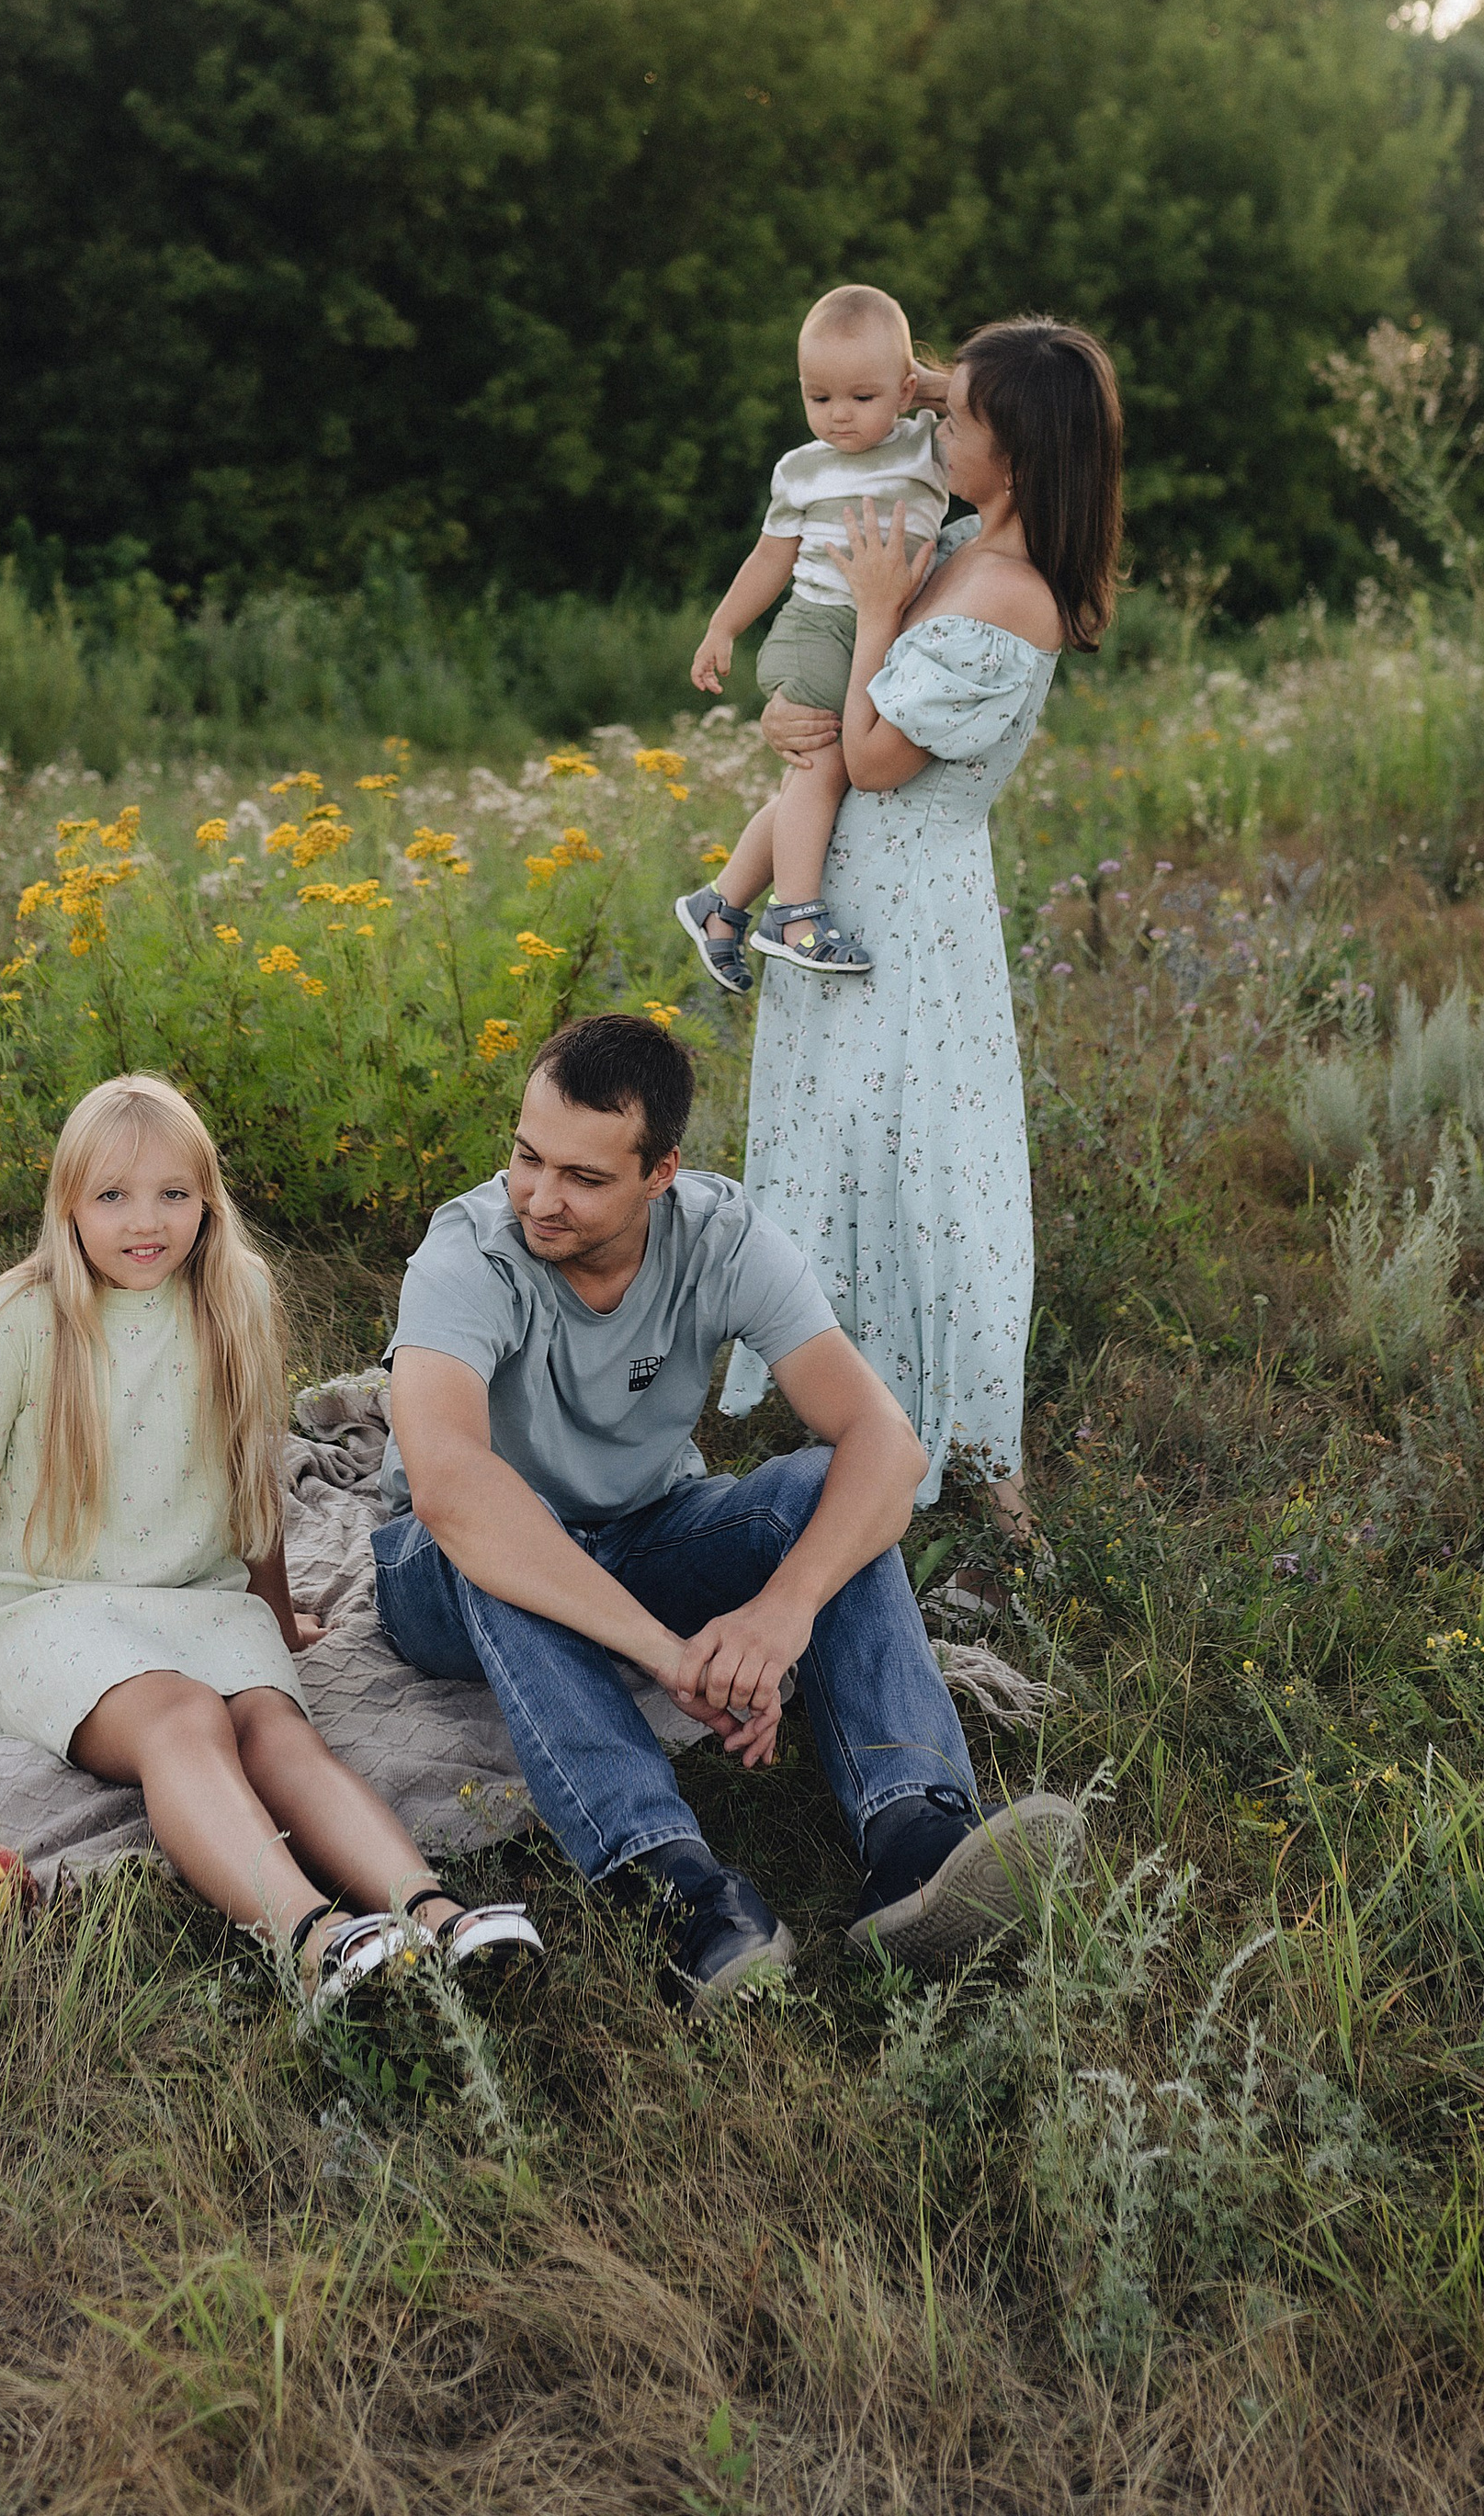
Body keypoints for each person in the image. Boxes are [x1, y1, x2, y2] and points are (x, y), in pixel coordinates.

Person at [371, 1011, 1077, 2005]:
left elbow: (887, 1447)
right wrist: (670, 1656)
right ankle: (678, 1885)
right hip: (439, 1572)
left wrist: (780, 1614)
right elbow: (452, 1486)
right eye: (528, 1157)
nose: (540, 1196)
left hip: (645, 1524)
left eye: (584, 1177)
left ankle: (915, 1831)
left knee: (817, 1488)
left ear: (660, 1173)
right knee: (505, 1535)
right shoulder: (469, 1251)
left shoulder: (721, 1235)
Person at [0, 1072, 542, 2012]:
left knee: (280, 1736)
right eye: (112, 1195)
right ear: (68, 1204)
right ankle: (318, 1941)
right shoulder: (12, 1320)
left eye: (173, 1193)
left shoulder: (235, 1293)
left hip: (201, 1599)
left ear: (208, 1198)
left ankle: (436, 1915)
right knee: (186, 1718)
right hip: (46, 1612)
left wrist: (276, 1617)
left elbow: (251, 1481)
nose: (145, 1221)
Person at [714, 316, 1125, 1521]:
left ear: (1023, 457)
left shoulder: (1009, 591)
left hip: (913, 919)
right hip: (846, 895)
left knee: (932, 1164)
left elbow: (881, 757)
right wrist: (793, 721)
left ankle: (980, 1452)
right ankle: (851, 1396)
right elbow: (839, 724)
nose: (930, 426)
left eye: (955, 419)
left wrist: (880, 618)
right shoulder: (960, 531)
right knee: (843, 1143)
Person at [676, 283, 951, 989]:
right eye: (818, 396)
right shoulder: (801, 469)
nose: (838, 416)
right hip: (817, 626)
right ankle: (794, 916)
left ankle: (721, 905)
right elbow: (770, 558)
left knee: (818, 779)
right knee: (824, 768)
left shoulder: (929, 446)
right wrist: (723, 626)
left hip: (882, 629)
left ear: (905, 388)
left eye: (863, 397)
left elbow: (998, 409)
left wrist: (930, 391)